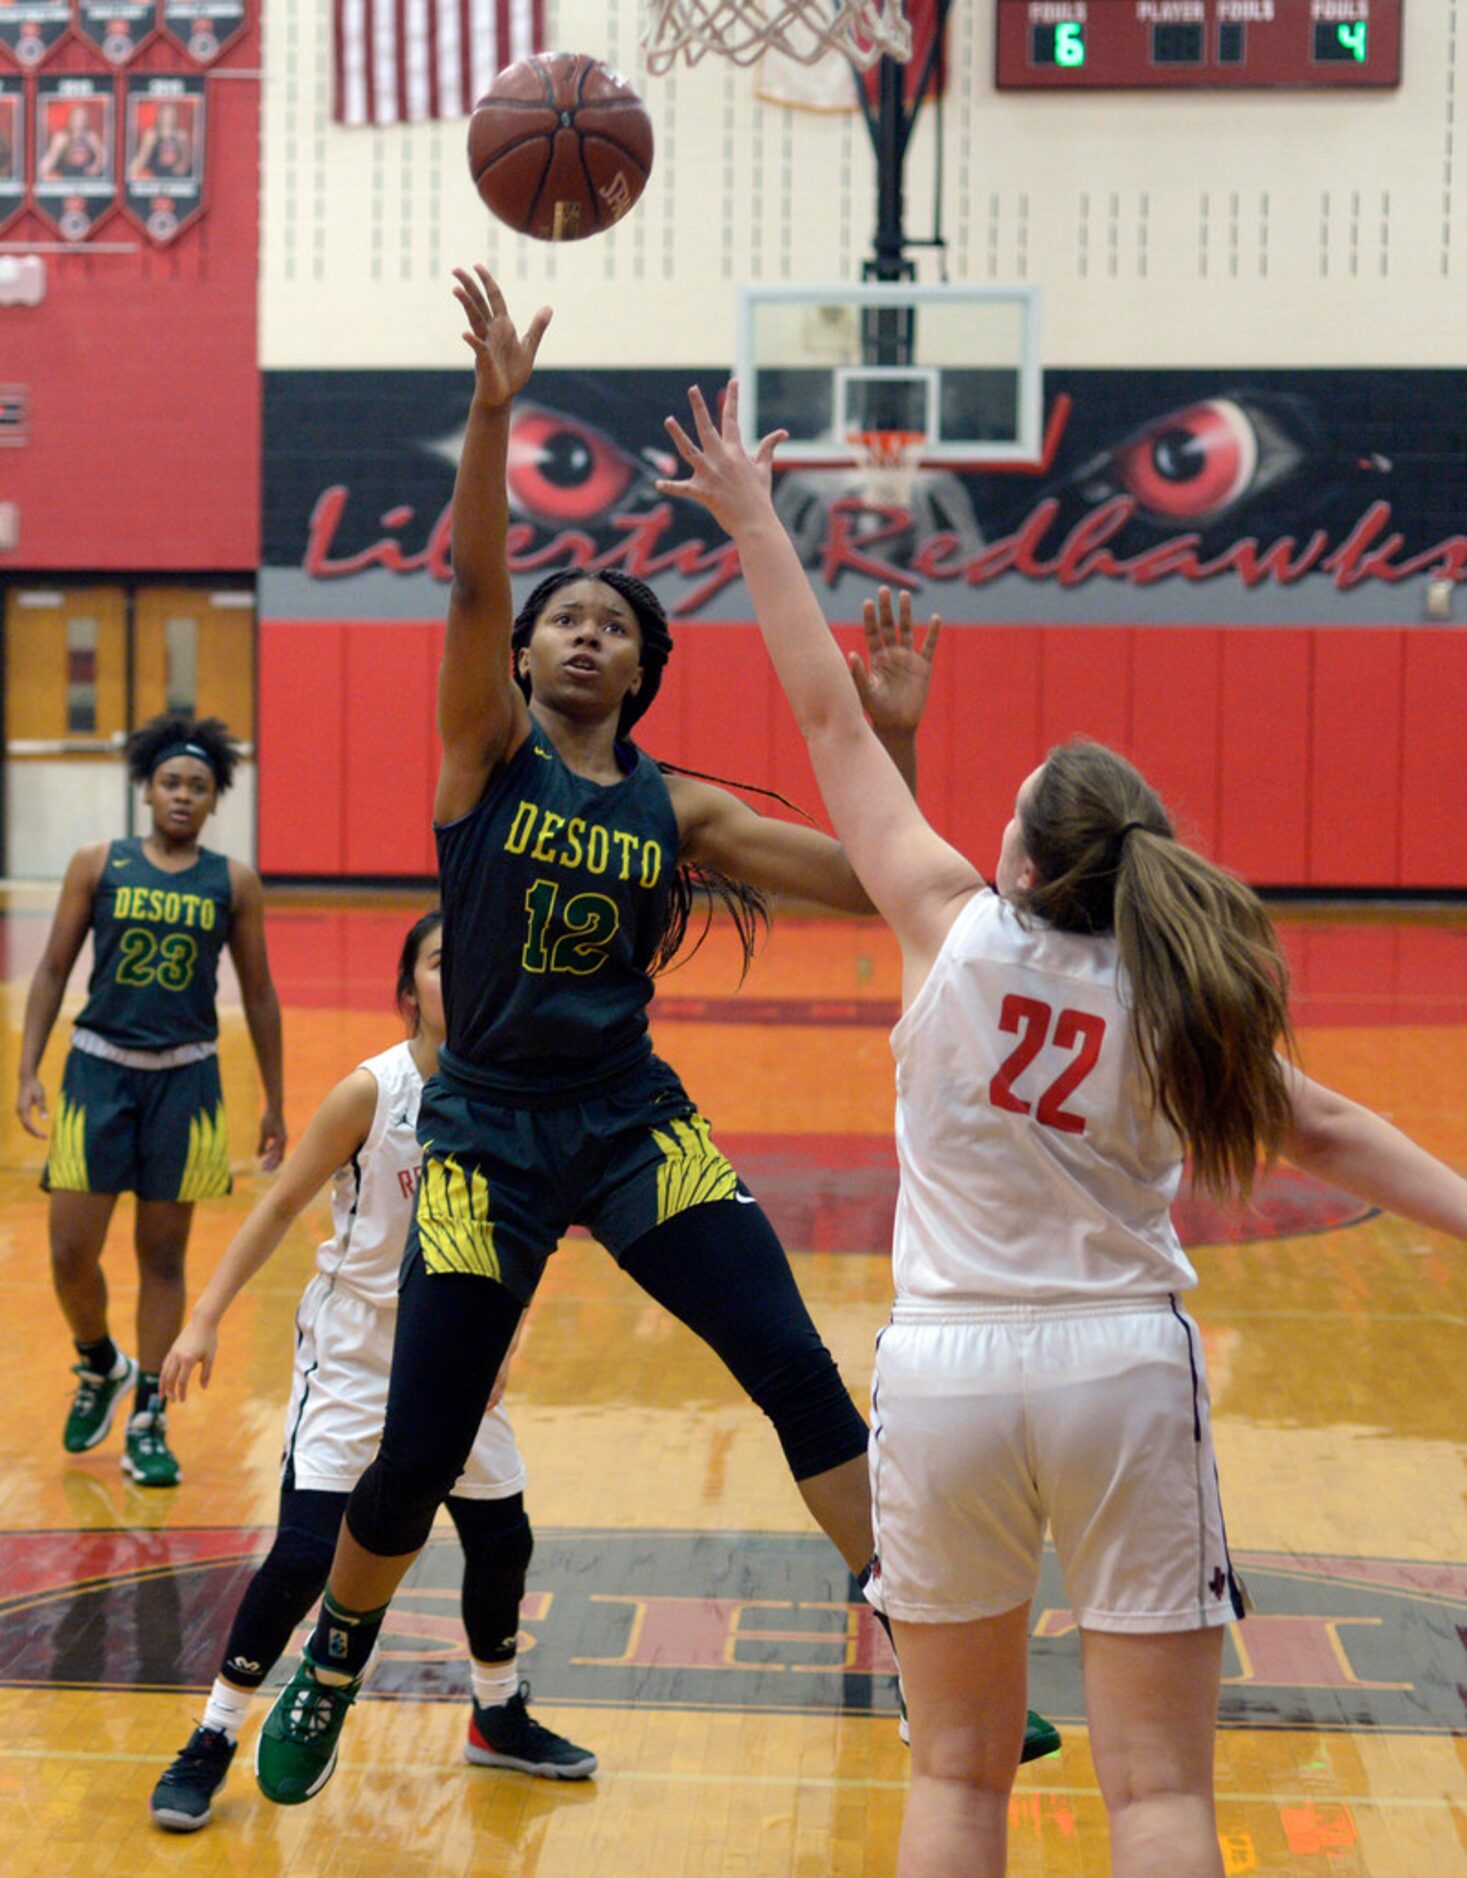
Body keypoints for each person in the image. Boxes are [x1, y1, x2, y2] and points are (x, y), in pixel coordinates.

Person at [252, 266, 1059, 1805]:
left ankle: (926, 1644)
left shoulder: (674, 807)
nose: (573, 634)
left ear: (638, 668)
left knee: (795, 1372)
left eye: (604, 625)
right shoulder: (481, 759)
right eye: (557, 619)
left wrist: (887, 734)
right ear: (526, 653)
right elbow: (470, 585)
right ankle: (337, 1657)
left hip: (632, 1125)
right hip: (483, 1131)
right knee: (415, 1450)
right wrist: (493, 414)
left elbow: (880, 883)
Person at [654, 381, 1467, 1876]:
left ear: (1020, 852)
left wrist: (756, 518)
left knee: (955, 1777)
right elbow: (1337, 1129)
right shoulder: (1178, 995)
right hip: (1115, 1363)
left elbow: (826, 713)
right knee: (1154, 1795)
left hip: (946, 1370)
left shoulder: (948, 924)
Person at [148, 910, 594, 1831]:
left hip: (460, 1345)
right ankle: (215, 1736)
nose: (461, 975)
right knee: (309, 1555)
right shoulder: (371, 1093)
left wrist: (507, 1338)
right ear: (407, 996)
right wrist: (201, 1319)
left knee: (501, 1541)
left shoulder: (515, 1095)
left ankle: (497, 1713)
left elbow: (531, 1231)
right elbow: (277, 1209)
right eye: (441, 962)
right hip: (357, 1354)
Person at [17, 714, 285, 1489]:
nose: (182, 795)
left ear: (213, 801)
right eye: (171, 781)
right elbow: (50, 970)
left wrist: (273, 1098)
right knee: (70, 1251)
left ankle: (147, 1420)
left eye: (198, 786)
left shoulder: (232, 882)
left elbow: (260, 994)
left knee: (161, 1258)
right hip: (97, 1072)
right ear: (146, 789)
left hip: (186, 1080)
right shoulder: (97, 865)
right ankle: (99, 1362)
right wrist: (30, 1067)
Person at [129, 101, 193, 182]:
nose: (168, 118)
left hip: (177, 179)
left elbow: (186, 159)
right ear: (159, 116)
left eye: (171, 115)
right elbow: (141, 159)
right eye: (165, 115)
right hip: (156, 178)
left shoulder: (182, 136)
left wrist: (182, 166)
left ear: (176, 116)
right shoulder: (151, 135)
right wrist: (130, 173)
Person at [39, 105, 106, 181]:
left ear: (86, 121)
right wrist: (44, 173)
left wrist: (96, 167)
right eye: (76, 118)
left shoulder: (91, 137)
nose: (78, 122)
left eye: (81, 119)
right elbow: (51, 157)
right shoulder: (61, 137)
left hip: (87, 178)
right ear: (70, 119)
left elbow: (103, 155)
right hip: (66, 177)